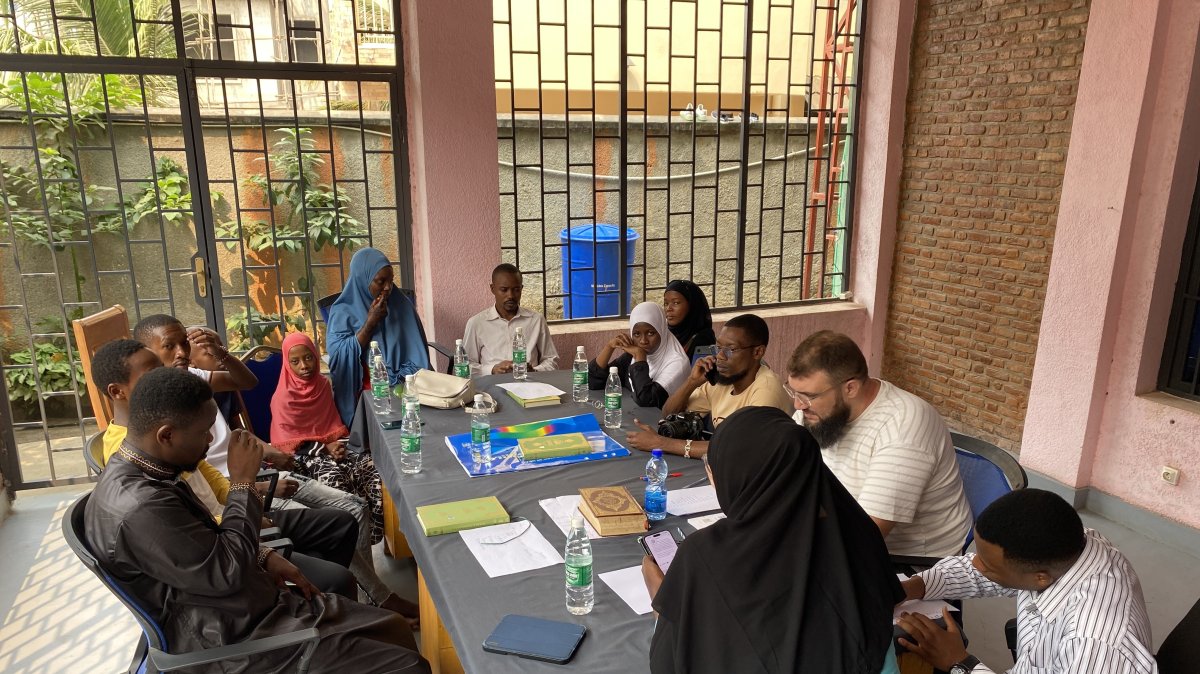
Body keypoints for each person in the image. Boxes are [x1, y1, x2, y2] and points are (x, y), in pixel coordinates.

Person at [85, 367, 430, 673]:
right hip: (229, 638)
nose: (210, 441)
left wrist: (263, 555)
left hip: (237, 605)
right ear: (166, 435)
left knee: (393, 628)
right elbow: (225, 574)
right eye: (204, 432)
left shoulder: (149, 471)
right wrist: (242, 483)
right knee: (407, 664)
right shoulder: (141, 507)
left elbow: (201, 548)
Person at [133, 315, 416, 620]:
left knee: (353, 507)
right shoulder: (157, 428)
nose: (182, 352)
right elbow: (202, 508)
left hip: (251, 474)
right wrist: (259, 487)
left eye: (184, 343)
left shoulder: (196, 378)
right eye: (169, 346)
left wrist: (222, 353)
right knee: (321, 514)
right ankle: (373, 598)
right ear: (148, 353)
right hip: (242, 490)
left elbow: (247, 388)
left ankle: (366, 592)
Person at [90, 338, 360, 598]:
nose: (209, 439)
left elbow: (209, 486)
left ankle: (317, 597)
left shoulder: (158, 447)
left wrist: (248, 496)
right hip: (227, 560)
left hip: (228, 530)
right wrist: (245, 488)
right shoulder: (142, 484)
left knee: (341, 523)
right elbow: (216, 562)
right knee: (338, 579)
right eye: (152, 373)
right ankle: (321, 603)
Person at [641, 407, 903, 674]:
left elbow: (669, 661)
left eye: (713, 466)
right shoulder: (860, 535)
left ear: (736, 476)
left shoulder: (704, 556)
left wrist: (660, 596)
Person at [895, 489, 1156, 674]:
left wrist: (960, 664)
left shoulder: (1095, 643)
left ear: (1040, 578)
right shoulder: (1065, 545)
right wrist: (911, 587)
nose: (975, 565)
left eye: (988, 564)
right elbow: (984, 571)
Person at [785, 330, 972, 557]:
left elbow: (864, 534)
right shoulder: (817, 412)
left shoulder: (904, 425)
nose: (798, 405)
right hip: (837, 531)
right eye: (793, 392)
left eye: (808, 396)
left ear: (850, 388)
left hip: (910, 562)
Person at [271, 331, 385, 549]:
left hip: (334, 445)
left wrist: (337, 447)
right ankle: (347, 547)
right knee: (335, 479)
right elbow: (288, 443)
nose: (304, 366)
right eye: (295, 362)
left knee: (372, 467)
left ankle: (371, 538)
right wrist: (324, 447)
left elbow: (331, 426)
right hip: (302, 457)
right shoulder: (283, 397)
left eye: (308, 358)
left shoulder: (322, 385)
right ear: (287, 364)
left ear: (315, 356)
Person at [625, 313, 792, 459]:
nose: (720, 356)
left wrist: (662, 443)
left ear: (757, 352)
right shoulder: (722, 381)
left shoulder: (766, 390)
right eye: (718, 347)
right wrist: (692, 382)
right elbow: (669, 413)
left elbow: (737, 448)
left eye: (730, 350)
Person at [326, 247, 431, 426]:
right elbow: (338, 357)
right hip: (364, 388)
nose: (388, 288)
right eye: (381, 281)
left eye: (391, 281)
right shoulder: (342, 311)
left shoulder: (401, 305)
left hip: (405, 383)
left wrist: (399, 379)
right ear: (363, 279)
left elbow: (419, 357)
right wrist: (370, 324)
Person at [588, 301, 689, 408]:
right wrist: (609, 347)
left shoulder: (677, 363)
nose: (643, 341)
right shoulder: (633, 355)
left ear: (662, 330)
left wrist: (640, 356)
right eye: (637, 334)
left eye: (651, 333)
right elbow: (594, 382)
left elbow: (646, 400)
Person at [462, 263, 558, 375]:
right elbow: (464, 367)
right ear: (492, 289)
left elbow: (552, 361)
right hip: (493, 386)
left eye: (516, 290)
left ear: (522, 289)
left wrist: (534, 370)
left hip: (530, 385)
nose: (511, 295)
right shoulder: (477, 323)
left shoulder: (536, 320)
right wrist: (492, 369)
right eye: (504, 290)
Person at [663, 279, 716, 359]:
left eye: (676, 303)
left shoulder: (703, 340)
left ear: (692, 306)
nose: (668, 308)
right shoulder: (664, 334)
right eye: (666, 303)